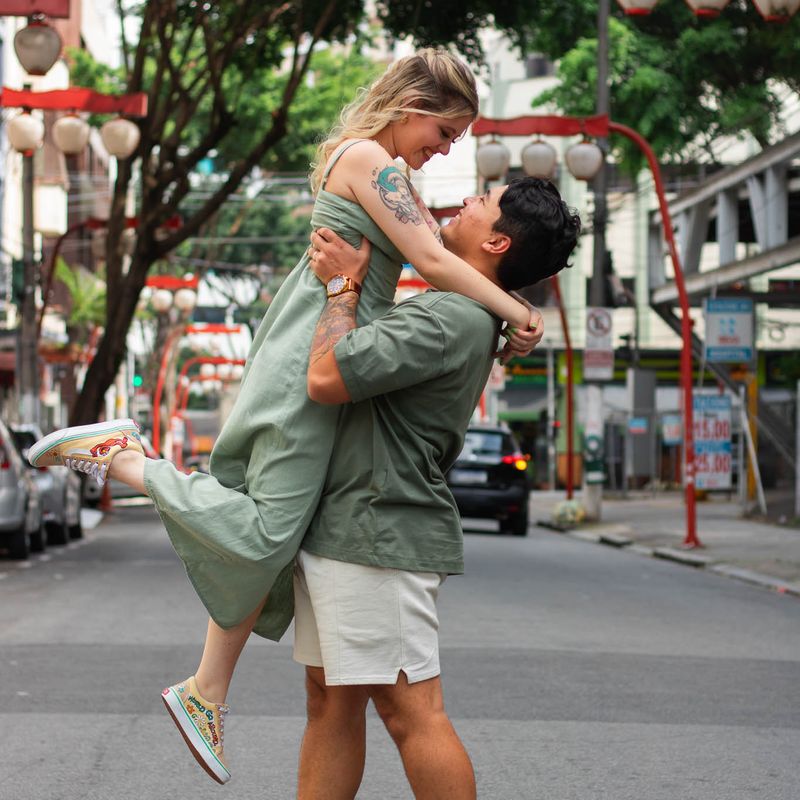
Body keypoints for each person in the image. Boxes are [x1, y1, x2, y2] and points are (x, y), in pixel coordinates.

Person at [26, 48, 542, 785]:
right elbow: (429, 261)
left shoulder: (384, 169)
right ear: (411, 105)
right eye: (446, 130)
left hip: (323, 342)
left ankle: (207, 689)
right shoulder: (374, 159)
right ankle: (125, 460)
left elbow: (413, 273)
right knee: (270, 526)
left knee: (276, 530)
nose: (447, 150)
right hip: (313, 351)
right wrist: (516, 308)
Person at [293, 176, 580, 799]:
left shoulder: (450, 316)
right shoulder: (471, 307)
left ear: (498, 241)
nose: (466, 201)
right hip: (350, 524)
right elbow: (409, 219)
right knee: (330, 704)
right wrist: (521, 314)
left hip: (380, 531)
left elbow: (324, 376)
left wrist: (342, 285)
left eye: (483, 201)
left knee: (411, 713)